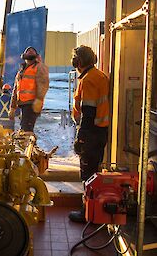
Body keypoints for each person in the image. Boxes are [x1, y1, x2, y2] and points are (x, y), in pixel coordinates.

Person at [68, 45, 109, 222]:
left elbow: (88, 112)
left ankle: (88, 212)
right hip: (99, 132)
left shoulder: (89, 80)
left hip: (91, 133)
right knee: (94, 171)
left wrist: (81, 138)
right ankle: (93, 209)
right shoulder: (98, 76)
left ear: (78, 61)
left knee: (88, 175)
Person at [9, 46, 49, 132]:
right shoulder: (22, 70)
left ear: (36, 55)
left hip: (32, 104)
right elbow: (16, 89)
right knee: (24, 129)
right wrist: (12, 107)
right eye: (28, 50)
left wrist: (39, 100)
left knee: (26, 131)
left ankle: (27, 144)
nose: (30, 51)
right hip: (23, 104)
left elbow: (43, 84)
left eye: (32, 51)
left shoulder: (39, 67)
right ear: (24, 55)